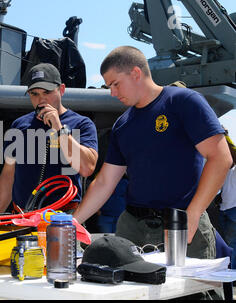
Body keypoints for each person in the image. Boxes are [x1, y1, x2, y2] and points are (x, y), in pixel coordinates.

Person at [73, 46, 233, 260]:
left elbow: (221, 158)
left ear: (136, 73)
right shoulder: (122, 124)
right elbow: (104, 182)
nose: (112, 93)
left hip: (182, 225)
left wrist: (193, 214)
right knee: (129, 291)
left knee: (189, 292)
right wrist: (72, 222)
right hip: (132, 229)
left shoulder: (183, 101)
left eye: (115, 84)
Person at [0, 63, 98, 214]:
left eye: (46, 92)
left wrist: (58, 127)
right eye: (34, 94)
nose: (41, 99)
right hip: (24, 216)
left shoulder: (82, 124)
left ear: (61, 90)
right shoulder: (20, 125)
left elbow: (87, 168)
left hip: (62, 217)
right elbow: (9, 174)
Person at [218, 128, 236, 268]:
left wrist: (225, 136)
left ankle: (232, 275)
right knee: (227, 243)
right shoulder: (227, 169)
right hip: (224, 209)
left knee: (232, 244)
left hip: (233, 210)